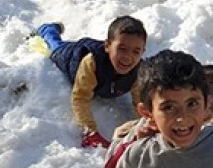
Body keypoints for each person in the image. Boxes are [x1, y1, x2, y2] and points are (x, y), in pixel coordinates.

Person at [33, 16, 147, 148]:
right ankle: (47, 29)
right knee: (56, 46)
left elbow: (140, 102)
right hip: (70, 57)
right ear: (107, 46)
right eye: (122, 49)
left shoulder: (139, 71)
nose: (128, 57)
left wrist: (144, 125)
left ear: (142, 52)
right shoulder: (92, 63)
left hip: (100, 66)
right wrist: (90, 131)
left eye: (136, 51)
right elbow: (80, 97)